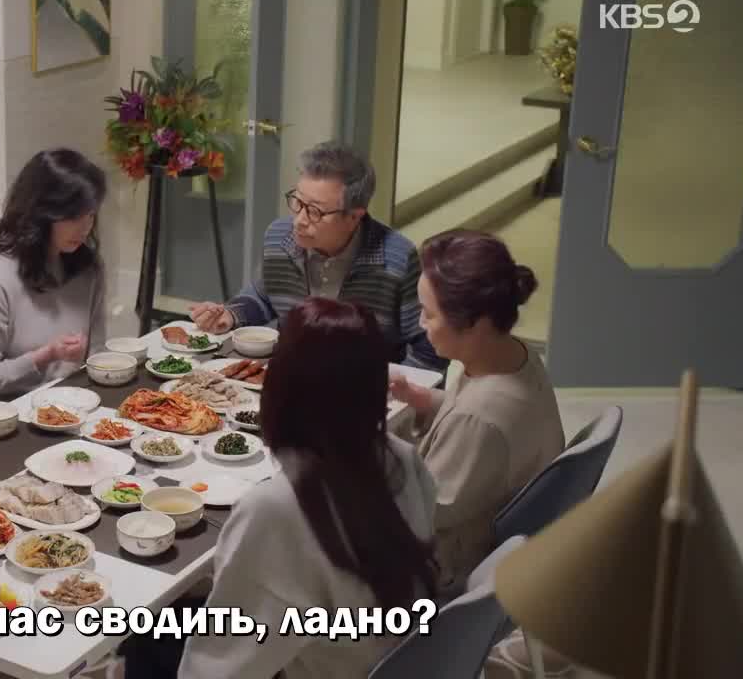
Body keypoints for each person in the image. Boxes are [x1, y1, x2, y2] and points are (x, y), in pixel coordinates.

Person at [124, 298, 439, 679]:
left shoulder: (277, 507)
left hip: (322, 667)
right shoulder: (402, 456)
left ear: (282, 386)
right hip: (395, 656)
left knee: (144, 634)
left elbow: (220, 665)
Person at [389, 229, 564, 595]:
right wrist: (421, 398)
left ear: (477, 323)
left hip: (446, 563)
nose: (420, 324)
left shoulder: (479, 420)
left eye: (429, 314)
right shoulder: (513, 355)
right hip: (481, 517)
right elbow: (468, 417)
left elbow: (423, 512)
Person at [190, 140, 447, 372]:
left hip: (365, 391)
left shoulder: (396, 259)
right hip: (292, 379)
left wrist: (390, 392)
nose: (299, 221)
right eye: (298, 202)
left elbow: (428, 347)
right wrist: (230, 315)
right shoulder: (279, 237)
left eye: (315, 211)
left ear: (354, 217)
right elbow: (263, 295)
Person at [0, 148, 107, 402]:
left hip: (72, 407)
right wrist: (45, 356)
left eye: (90, 215)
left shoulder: (88, 270)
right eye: (73, 216)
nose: (85, 228)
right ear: (42, 213)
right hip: (7, 416)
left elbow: (97, 356)